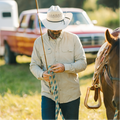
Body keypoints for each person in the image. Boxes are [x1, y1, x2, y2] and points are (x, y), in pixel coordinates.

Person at [30, 5, 87, 120]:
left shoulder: (74, 39)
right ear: (47, 25)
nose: (56, 30)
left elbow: (83, 63)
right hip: (48, 94)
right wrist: (41, 74)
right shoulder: (38, 42)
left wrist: (65, 67)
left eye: (58, 27)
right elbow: (34, 65)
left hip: (71, 95)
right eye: (53, 27)